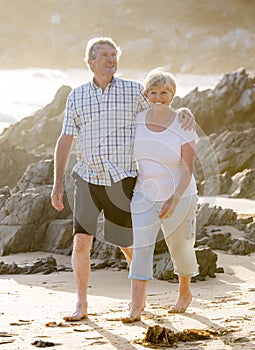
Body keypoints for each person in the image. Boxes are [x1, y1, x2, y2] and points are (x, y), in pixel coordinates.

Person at [51, 37, 195, 322]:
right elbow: (66, 138)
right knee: (81, 241)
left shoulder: (132, 91)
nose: (111, 59)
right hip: (88, 177)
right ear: (90, 61)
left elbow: (160, 103)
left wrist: (183, 111)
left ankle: (139, 291)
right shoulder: (76, 96)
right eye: (105, 55)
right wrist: (57, 183)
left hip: (123, 179)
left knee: (125, 241)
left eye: (114, 55)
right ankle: (81, 304)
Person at [121, 68, 199, 323]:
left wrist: (175, 198)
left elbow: (188, 167)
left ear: (172, 94)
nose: (158, 97)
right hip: (144, 194)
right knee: (141, 246)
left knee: (180, 247)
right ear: (146, 95)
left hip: (180, 195)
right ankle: (136, 304)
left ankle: (185, 293)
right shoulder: (136, 121)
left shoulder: (183, 123)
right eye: (153, 92)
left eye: (163, 92)